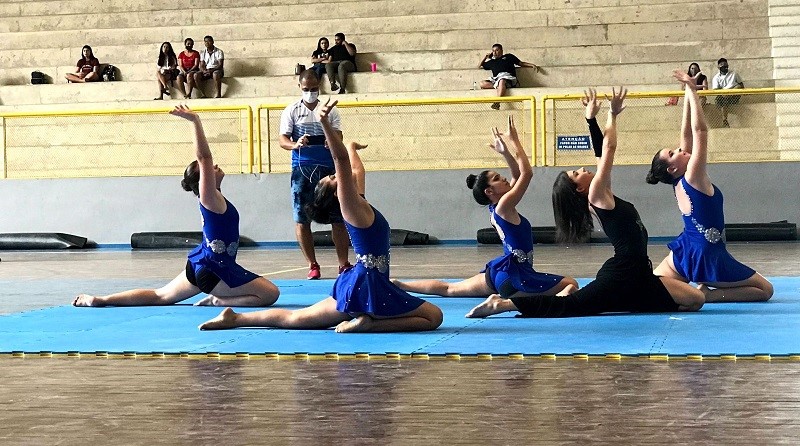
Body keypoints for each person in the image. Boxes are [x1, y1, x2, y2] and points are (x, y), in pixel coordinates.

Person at [200, 99, 443, 333]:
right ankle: (371, 323)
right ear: (337, 194)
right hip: (369, 284)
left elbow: (356, 168)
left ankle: (237, 318)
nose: (336, 175)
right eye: (333, 179)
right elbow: (341, 161)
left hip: (361, 281)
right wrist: (325, 123)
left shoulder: (358, 202)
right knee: (433, 317)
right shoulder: (350, 206)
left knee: (297, 318)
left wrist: (351, 147)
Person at [466, 87, 706, 319]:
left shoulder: (604, 195)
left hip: (641, 275)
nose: (582, 169)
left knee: (696, 300)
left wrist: (591, 120)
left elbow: (600, 154)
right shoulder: (597, 196)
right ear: (580, 188)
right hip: (620, 275)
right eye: (576, 173)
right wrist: (612, 114)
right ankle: (503, 303)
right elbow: (609, 149)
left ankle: (626, 300)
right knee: (570, 306)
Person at [73, 105, 280, 308]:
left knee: (160, 296)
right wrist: (195, 121)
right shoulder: (208, 198)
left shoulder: (214, 198)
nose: (215, 167)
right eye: (208, 169)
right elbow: (204, 157)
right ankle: (218, 300)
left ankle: (100, 300)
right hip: (214, 270)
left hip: (202, 262)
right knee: (270, 294)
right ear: (202, 180)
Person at [393, 116, 578, 300]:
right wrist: (515, 141)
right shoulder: (505, 206)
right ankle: (545, 304)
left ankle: (401, 284)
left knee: (449, 288)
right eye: (498, 179)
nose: (505, 178)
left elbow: (516, 173)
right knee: (571, 283)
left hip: (499, 272)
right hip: (516, 278)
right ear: (489, 191)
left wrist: (505, 153)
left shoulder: (497, 207)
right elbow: (526, 173)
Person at [645, 71, 773, 303]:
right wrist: (694, 92)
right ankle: (709, 295)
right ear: (672, 168)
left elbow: (686, 134)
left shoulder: (678, 180)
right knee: (765, 290)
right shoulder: (693, 175)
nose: (680, 150)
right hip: (707, 255)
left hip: (685, 250)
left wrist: (687, 91)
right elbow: (700, 132)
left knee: (653, 284)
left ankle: (694, 291)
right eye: (673, 154)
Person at [279, 70, 351, 279]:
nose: (310, 93)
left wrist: (332, 139)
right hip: (302, 168)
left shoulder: (328, 109)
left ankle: (343, 263)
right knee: (302, 217)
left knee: (338, 216)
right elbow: (283, 140)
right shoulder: (291, 110)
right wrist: (296, 144)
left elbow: (338, 133)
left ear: (319, 85)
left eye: (313, 89)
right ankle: (312, 264)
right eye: (306, 90)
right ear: (300, 87)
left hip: (329, 169)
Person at [479, 43, 540, 109]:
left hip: (509, 78)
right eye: (493, 51)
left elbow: (520, 63)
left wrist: (531, 65)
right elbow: (479, 66)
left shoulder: (509, 56)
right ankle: (501, 87)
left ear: (501, 51)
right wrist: (485, 57)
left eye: (497, 50)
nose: (495, 52)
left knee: (502, 80)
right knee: (482, 84)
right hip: (497, 79)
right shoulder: (492, 62)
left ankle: (497, 102)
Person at [711, 58, 743, 127]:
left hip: (734, 96)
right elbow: (716, 90)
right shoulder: (716, 78)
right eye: (722, 66)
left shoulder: (734, 74)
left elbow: (741, 85)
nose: (725, 67)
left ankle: (727, 95)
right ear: (718, 67)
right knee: (723, 100)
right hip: (723, 96)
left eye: (726, 66)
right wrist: (724, 94)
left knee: (738, 86)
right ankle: (724, 120)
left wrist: (731, 93)